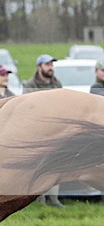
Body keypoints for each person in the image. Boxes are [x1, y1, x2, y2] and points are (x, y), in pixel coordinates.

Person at [22, 54, 65, 206]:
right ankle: (38, 199)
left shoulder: (57, 84)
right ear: (39, 67)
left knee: (55, 165)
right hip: (37, 133)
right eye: (47, 65)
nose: (50, 68)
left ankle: (53, 199)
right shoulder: (29, 85)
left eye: (51, 65)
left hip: (55, 131)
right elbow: (28, 109)